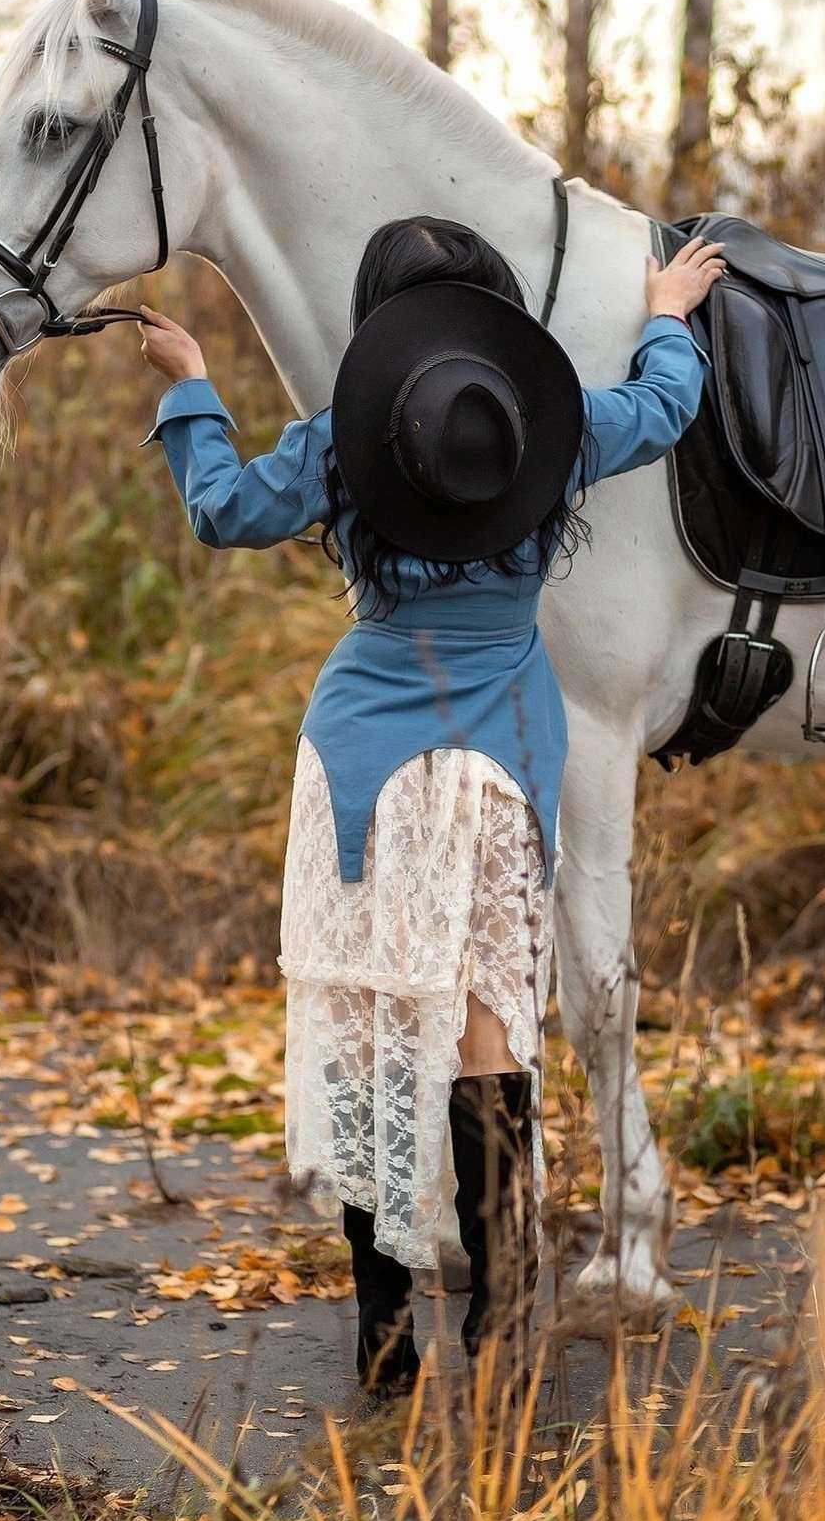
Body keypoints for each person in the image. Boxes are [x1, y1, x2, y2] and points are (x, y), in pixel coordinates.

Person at [139, 219, 723, 1393]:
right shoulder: (546, 433)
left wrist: (193, 390)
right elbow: (665, 408)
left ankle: (386, 1335)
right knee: (485, 1037)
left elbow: (220, 510)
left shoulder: (344, 446)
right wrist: (666, 308)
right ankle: (504, 1328)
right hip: (500, 753)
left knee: (366, 1034)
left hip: (361, 761)